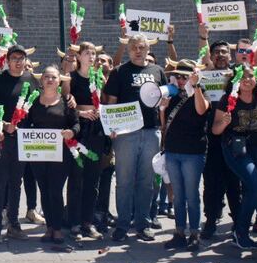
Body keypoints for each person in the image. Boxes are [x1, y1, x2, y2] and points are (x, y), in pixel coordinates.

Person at [104, 34, 167, 242]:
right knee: (124, 181)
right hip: (126, 134)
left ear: (148, 49)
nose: (138, 51)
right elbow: (112, 102)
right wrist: (111, 125)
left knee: (147, 182)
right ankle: (122, 225)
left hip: (151, 132)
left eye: (141, 47)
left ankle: (143, 225)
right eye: (133, 48)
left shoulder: (157, 71)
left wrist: (163, 129)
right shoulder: (119, 72)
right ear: (128, 50)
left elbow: (164, 102)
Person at [214, 66, 257, 250]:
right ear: (236, 81)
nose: (247, 80)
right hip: (236, 148)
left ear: (256, 79)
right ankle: (241, 232)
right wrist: (223, 122)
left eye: (251, 76)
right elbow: (215, 130)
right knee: (256, 186)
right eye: (243, 77)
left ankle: (239, 231)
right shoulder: (227, 99)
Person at [25, 65, 80, 251]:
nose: (50, 80)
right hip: (37, 153)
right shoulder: (32, 101)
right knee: (44, 190)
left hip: (60, 154)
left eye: (54, 77)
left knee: (55, 191)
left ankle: (57, 228)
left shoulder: (67, 101)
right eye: (46, 76)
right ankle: (49, 227)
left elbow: (76, 124)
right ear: (42, 80)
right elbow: (24, 123)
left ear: (59, 81)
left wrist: (71, 132)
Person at [0, 44, 40, 240]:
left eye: (21, 58)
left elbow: (36, 107)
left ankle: (14, 224)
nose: (18, 62)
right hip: (2, 138)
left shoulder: (31, 80)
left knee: (16, 182)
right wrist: (3, 125)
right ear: (8, 60)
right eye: (14, 58)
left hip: (22, 139)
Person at [160, 59, 210, 250]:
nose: (181, 80)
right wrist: (162, 108)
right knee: (178, 196)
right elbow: (164, 126)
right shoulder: (172, 94)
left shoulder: (200, 92)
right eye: (178, 76)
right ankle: (179, 232)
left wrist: (196, 85)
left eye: (184, 77)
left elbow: (201, 110)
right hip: (173, 150)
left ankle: (195, 234)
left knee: (192, 194)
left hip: (193, 152)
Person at [197, 40, 240, 239]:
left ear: (230, 56)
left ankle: (238, 221)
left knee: (234, 181)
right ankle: (211, 219)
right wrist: (203, 36)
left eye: (224, 52)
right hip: (210, 136)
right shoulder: (204, 76)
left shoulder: (238, 76)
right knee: (211, 181)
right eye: (217, 52)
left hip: (233, 135)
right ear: (211, 56)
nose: (221, 55)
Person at [66, 42, 106, 240]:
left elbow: (106, 103)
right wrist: (82, 112)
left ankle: (87, 223)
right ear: (79, 56)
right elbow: (64, 106)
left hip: (96, 133)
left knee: (92, 179)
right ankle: (73, 222)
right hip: (79, 133)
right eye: (87, 53)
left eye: (94, 53)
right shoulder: (71, 78)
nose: (91, 57)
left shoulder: (99, 78)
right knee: (76, 178)